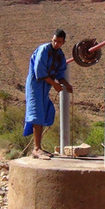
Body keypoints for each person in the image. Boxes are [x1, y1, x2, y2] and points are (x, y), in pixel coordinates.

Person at [23, 29, 73, 159]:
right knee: (37, 113)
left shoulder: (60, 55)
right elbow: (39, 70)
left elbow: (60, 72)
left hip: (46, 86)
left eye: (59, 42)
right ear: (52, 39)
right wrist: (55, 84)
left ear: (63, 42)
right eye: (55, 41)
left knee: (45, 111)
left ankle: (39, 146)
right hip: (35, 85)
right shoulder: (44, 49)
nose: (56, 43)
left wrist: (65, 84)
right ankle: (36, 148)